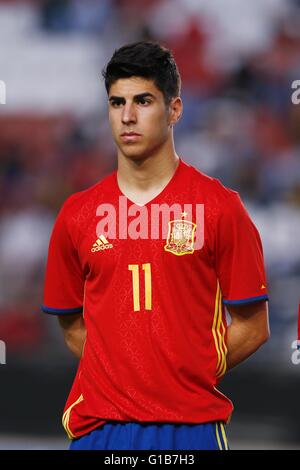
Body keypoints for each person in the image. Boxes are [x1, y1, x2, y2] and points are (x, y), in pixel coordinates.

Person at [41, 41, 270, 450]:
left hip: (189, 429)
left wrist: (185, 372)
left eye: (143, 101)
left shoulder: (220, 208)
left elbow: (254, 326)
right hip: (100, 428)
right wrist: (121, 379)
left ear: (175, 110)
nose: (127, 116)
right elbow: (70, 324)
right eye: (117, 103)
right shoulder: (77, 214)